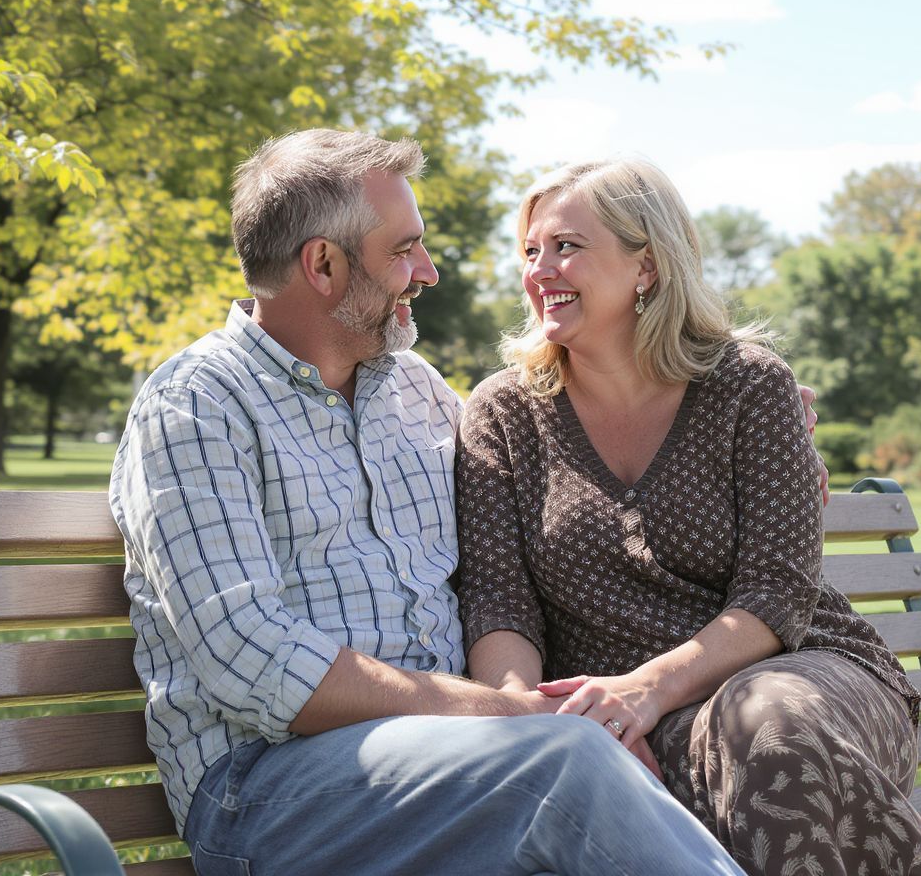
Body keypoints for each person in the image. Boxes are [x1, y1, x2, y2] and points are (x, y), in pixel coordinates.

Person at [109, 129, 747, 875]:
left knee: (629, 760)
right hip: (268, 794)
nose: (428, 271)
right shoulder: (196, 407)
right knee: (567, 763)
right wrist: (514, 715)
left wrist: (724, 419)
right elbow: (253, 659)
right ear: (323, 264)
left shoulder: (415, 391)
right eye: (404, 249)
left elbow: (541, 493)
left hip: (459, 764)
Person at [455, 157, 921, 876]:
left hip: (807, 681)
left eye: (567, 246)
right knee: (755, 770)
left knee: (768, 731)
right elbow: (498, 600)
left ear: (646, 265)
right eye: (530, 250)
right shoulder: (504, 413)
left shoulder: (749, 384)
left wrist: (646, 689)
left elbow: (778, 593)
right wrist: (528, 720)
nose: (541, 268)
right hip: (633, 725)